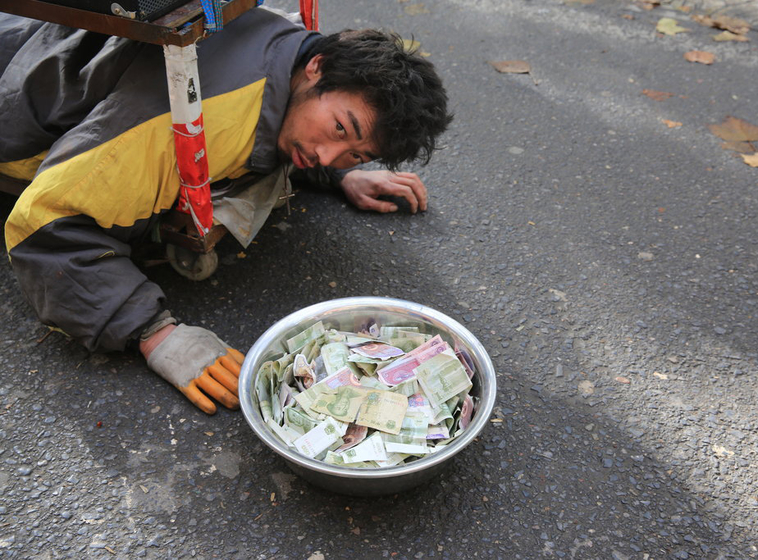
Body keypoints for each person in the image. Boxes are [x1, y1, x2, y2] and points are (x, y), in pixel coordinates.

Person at [0, 8, 452, 414]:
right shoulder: (200, 117)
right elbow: (43, 223)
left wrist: (338, 177)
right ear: (318, 68)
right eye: (340, 128)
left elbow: (295, 123)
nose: (329, 154)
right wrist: (154, 333)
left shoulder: (288, 48)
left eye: (356, 153)